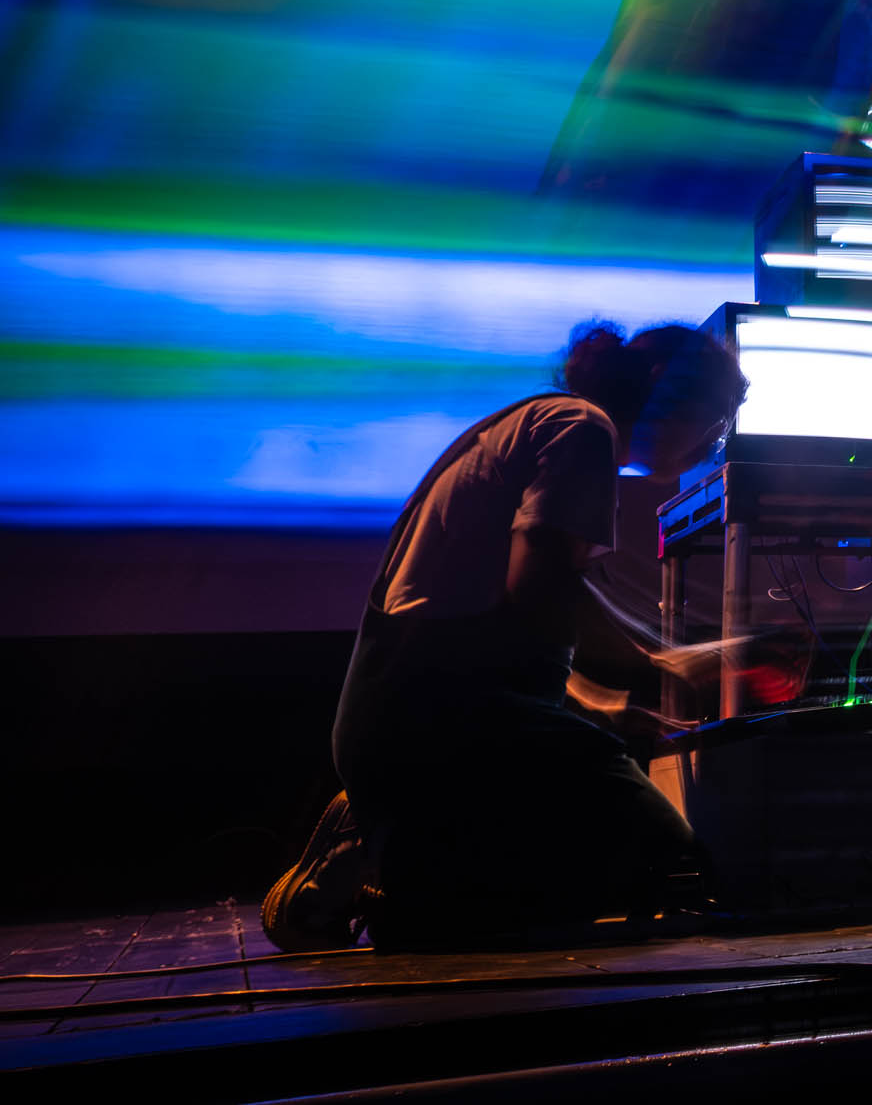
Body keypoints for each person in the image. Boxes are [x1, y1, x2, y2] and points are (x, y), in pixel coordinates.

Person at [263, 321, 748, 950]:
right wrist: (653, 667)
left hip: (407, 723)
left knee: (540, 887)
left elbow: (530, 618)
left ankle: (396, 836)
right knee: (673, 865)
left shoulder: (545, 424)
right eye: (718, 419)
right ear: (665, 383)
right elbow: (539, 592)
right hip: (439, 724)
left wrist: (615, 700)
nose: (715, 443)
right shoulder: (581, 429)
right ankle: (393, 851)